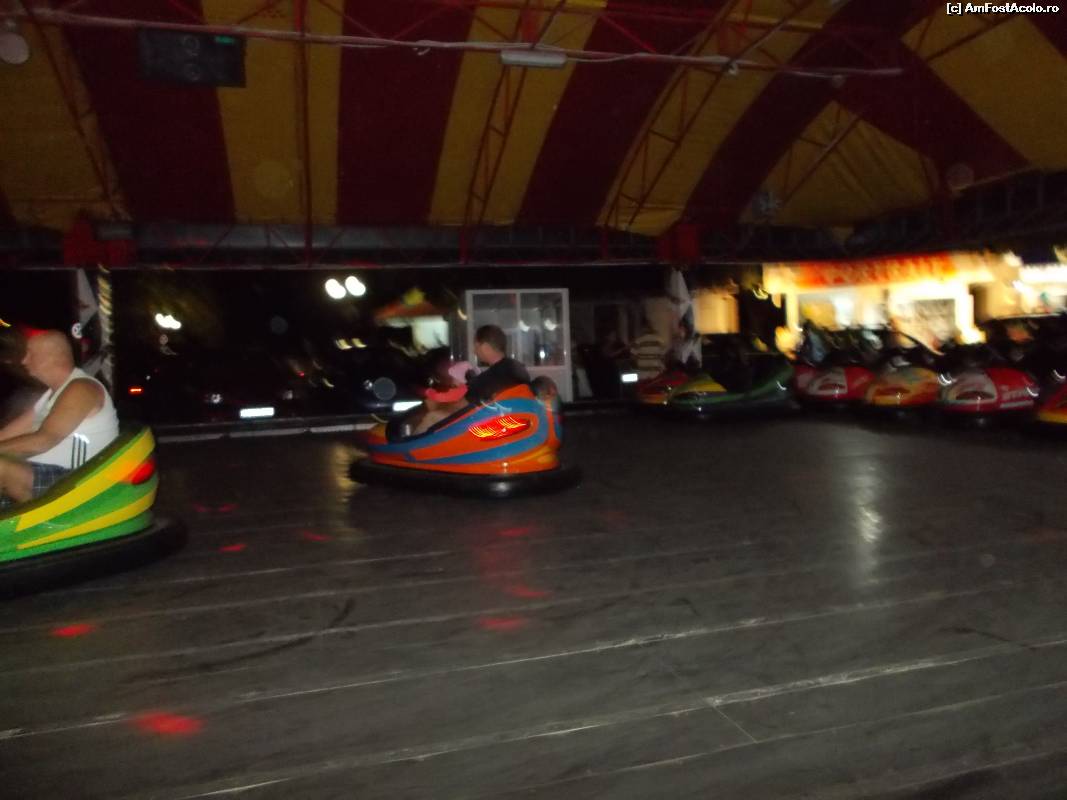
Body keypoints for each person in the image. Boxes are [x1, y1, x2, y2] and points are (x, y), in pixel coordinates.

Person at [0, 330, 118, 505]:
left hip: (73, 480)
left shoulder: (82, 388)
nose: (24, 360)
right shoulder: (51, 395)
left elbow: (43, 441)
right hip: (43, 475)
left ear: (53, 356)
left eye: (31, 354)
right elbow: (7, 435)